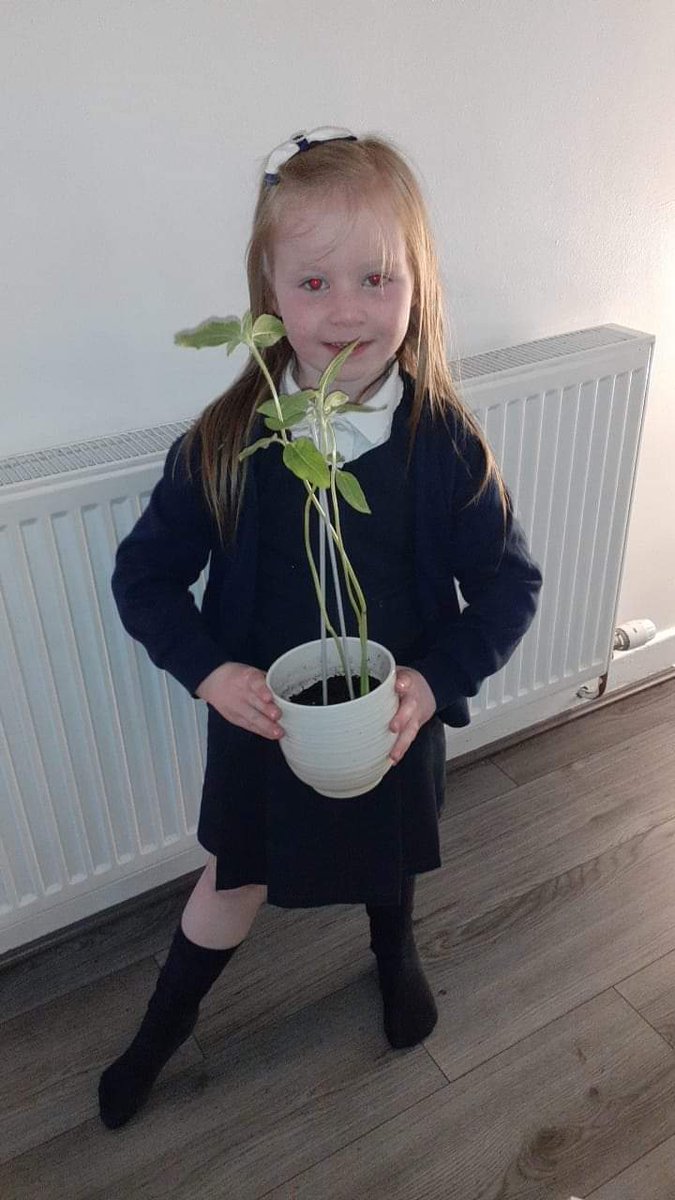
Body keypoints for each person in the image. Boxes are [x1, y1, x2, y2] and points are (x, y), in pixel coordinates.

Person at [99, 126, 542, 1129]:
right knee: (234, 876)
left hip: (390, 720)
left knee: (390, 852)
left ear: (418, 282)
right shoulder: (225, 443)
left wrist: (432, 684)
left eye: (377, 278)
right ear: (269, 291)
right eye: (313, 285)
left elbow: (510, 589)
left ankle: (395, 952)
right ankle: (161, 1031)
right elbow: (145, 579)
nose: (348, 311)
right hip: (265, 728)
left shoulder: (446, 446)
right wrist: (210, 671)